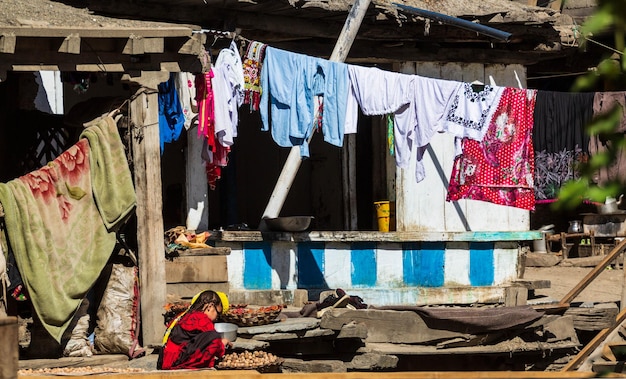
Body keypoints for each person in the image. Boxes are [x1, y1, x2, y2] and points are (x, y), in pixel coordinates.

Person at [158, 290, 231, 370]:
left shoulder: (184, 316)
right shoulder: (201, 319)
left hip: (167, 359)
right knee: (214, 336)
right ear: (210, 306)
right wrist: (222, 344)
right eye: (218, 314)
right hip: (176, 360)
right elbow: (214, 342)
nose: (216, 319)